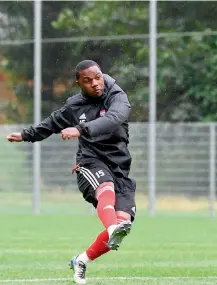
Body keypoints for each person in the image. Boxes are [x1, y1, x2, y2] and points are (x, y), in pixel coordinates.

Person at [6, 60, 136, 284]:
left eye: (97, 77)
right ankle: (113, 225)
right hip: (90, 162)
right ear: (78, 83)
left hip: (119, 167)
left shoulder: (117, 96)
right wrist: (26, 135)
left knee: (125, 222)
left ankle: (81, 260)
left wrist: (80, 129)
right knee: (107, 194)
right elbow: (52, 123)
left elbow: (113, 119)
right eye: (88, 80)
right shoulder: (74, 106)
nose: (95, 83)